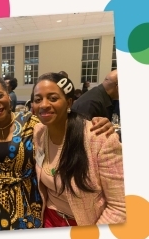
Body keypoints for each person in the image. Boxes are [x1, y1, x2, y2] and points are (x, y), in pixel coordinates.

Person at [0, 74, 114, 232]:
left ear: (8, 95)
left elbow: (62, 123)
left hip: (29, 204)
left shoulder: (32, 123)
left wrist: (97, 123)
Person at [32, 72, 125, 227]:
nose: (44, 104)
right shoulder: (39, 132)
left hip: (85, 223)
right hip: (48, 219)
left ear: (69, 103)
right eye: (37, 99)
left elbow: (120, 206)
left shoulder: (99, 139)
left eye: (53, 98)